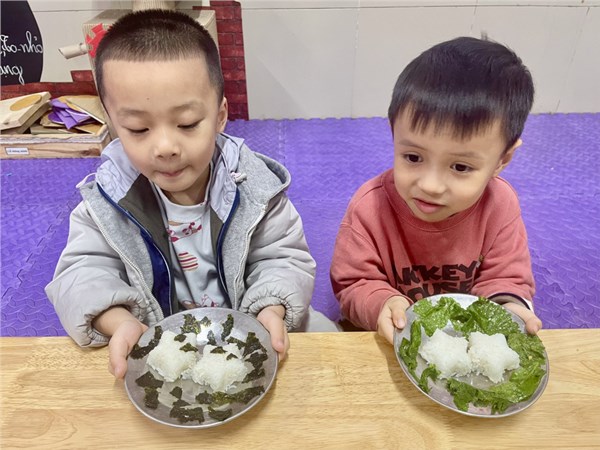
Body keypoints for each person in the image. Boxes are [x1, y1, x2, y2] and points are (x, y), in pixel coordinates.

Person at [46, 9, 337, 379]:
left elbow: (283, 258)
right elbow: (81, 273)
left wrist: (270, 308)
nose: (165, 147)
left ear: (220, 115)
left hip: (249, 324)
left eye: (186, 124)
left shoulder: (256, 190)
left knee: (331, 348)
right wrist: (119, 321)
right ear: (113, 122)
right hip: (161, 337)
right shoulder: (107, 201)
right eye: (138, 129)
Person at [330, 36, 543, 344]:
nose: (430, 186)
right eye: (413, 157)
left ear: (502, 160)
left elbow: (506, 277)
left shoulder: (500, 205)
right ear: (394, 135)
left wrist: (507, 308)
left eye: (461, 167)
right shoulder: (370, 206)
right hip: (389, 338)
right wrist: (381, 302)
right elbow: (352, 282)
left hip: (464, 340)